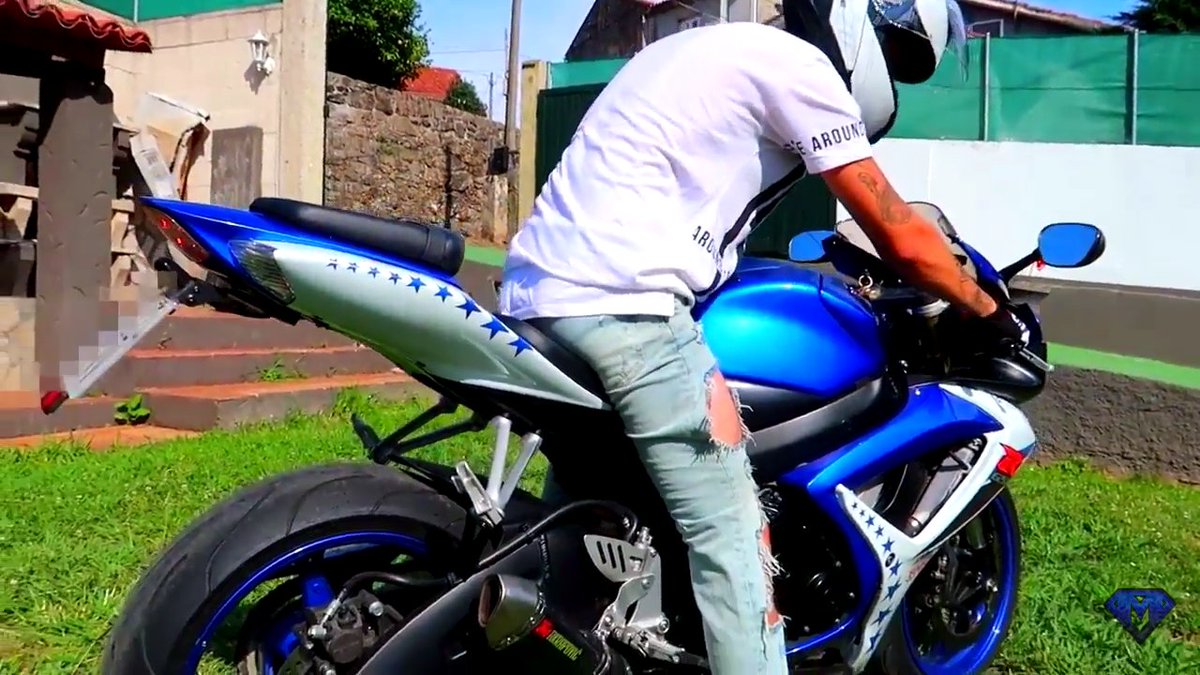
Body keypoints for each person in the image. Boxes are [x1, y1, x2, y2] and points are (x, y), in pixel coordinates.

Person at [497, 1, 1028, 672]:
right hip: (628, 305)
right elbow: (900, 233)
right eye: (898, 55)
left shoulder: (706, 48)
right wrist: (987, 309)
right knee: (731, 534)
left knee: (585, 510)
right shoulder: (802, 69)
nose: (893, 74)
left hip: (537, 295)